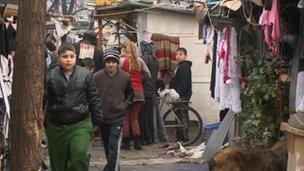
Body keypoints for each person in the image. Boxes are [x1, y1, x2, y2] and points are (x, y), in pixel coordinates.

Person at [44, 43, 103, 171]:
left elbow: (94, 98)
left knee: (79, 155)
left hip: (80, 123)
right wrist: (45, 123)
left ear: (76, 57)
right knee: (59, 163)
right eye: (65, 56)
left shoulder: (86, 75)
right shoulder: (50, 76)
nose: (68, 59)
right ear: (58, 58)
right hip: (56, 125)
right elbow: (45, 100)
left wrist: (97, 120)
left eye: (71, 56)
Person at [94, 49, 134, 171]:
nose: (111, 64)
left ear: (117, 63)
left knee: (114, 145)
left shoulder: (125, 77)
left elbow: (130, 94)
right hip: (103, 118)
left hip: (118, 118)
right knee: (107, 147)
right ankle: (115, 168)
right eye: (108, 62)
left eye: (113, 62)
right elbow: (93, 95)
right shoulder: (97, 77)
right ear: (105, 63)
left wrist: (124, 105)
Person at [120, 41, 151, 150]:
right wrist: (139, 78)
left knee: (125, 118)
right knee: (134, 118)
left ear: (124, 50)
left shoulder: (122, 61)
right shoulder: (140, 60)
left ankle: (126, 143)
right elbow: (148, 75)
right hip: (139, 93)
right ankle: (137, 143)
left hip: (127, 93)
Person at [169, 47, 192, 142]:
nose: (178, 56)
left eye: (180, 54)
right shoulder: (179, 66)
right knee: (178, 115)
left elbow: (184, 83)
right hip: (177, 95)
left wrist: (178, 95)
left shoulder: (184, 67)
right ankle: (179, 136)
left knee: (182, 115)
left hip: (182, 96)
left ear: (185, 56)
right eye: (177, 54)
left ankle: (184, 137)